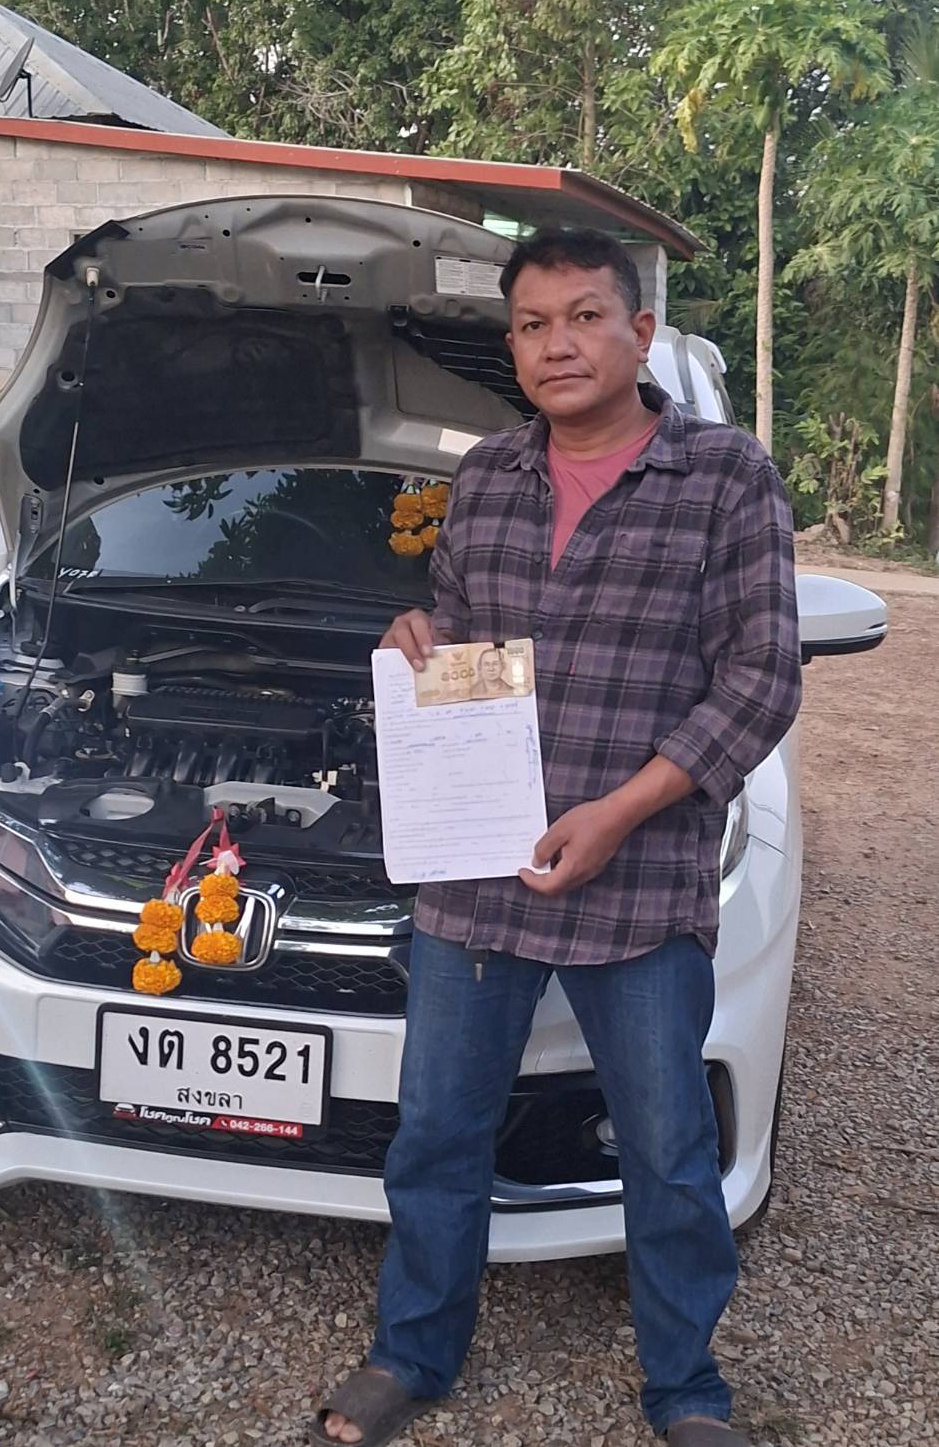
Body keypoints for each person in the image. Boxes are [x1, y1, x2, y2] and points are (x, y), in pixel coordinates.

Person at [311, 228, 802, 1447]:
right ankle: (411, 1351)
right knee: (437, 1134)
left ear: (640, 333)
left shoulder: (725, 476)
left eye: (584, 316)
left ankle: (685, 1386)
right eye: (532, 325)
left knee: (667, 1148)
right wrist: (417, 640)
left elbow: (759, 680)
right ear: (513, 345)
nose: (557, 344)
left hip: (639, 884)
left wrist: (619, 810)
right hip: (477, 881)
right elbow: (466, 641)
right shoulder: (485, 476)